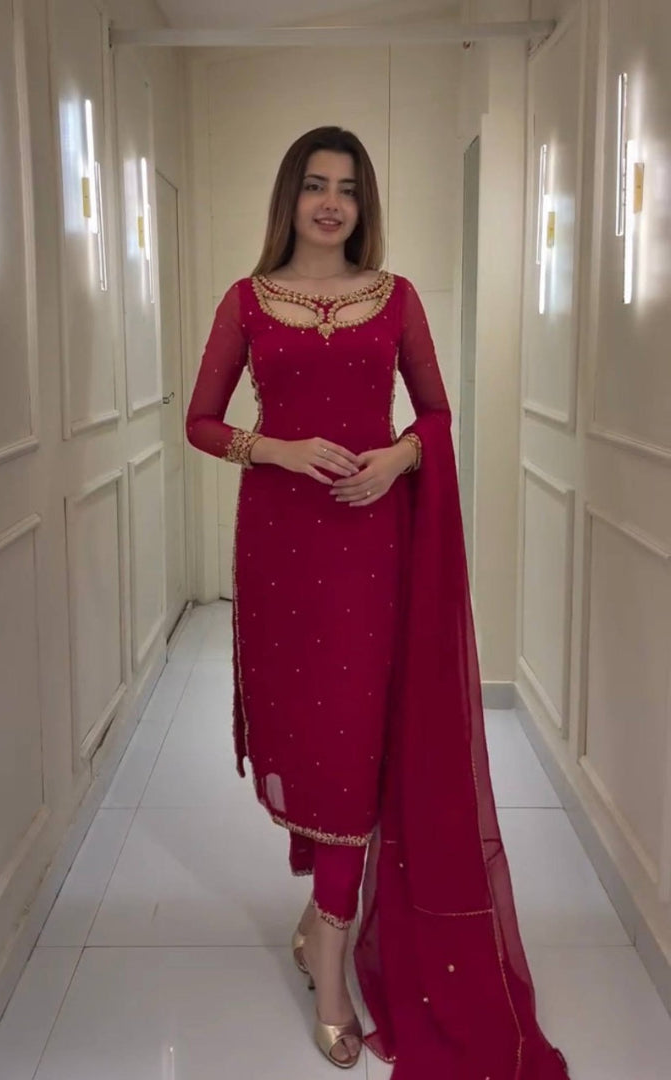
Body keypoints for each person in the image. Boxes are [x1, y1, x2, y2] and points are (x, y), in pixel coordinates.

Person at [185, 126, 571, 1078]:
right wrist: (276, 449)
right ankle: (322, 916)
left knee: (360, 741)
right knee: (310, 742)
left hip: (372, 547)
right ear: (291, 195)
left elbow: (437, 413)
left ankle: (329, 964)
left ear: (364, 204)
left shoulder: (394, 300)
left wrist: (399, 456)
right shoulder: (248, 299)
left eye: (348, 189)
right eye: (315, 185)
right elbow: (198, 420)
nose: (331, 203)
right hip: (280, 548)